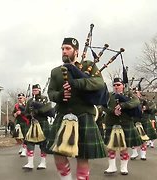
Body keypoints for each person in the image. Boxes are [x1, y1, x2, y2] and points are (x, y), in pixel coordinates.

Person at [46, 37, 107, 180]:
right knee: (58, 154)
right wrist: (60, 95)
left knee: (82, 155)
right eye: (62, 48)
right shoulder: (56, 71)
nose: (64, 51)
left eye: (68, 48)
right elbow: (51, 93)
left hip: (84, 114)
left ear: (76, 51)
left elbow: (99, 83)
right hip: (63, 114)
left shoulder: (88, 66)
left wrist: (77, 83)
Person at [103, 78, 142, 175]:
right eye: (115, 85)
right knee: (110, 147)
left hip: (125, 123)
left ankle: (124, 167)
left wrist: (123, 105)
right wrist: (113, 111)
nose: (116, 86)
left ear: (123, 86)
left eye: (118, 84)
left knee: (124, 147)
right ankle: (112, 167)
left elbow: (136, 102)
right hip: (111, 123)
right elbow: (103, 106)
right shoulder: (109, 96)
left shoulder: (129, 95)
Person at [22, 84, 54, 170]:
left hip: (42, 122)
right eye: (33, 90)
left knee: (43, 143)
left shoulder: (44, 99)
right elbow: (26, 112)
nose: (35, 91)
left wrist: (38, 109)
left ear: (39, 90)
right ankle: (30, 163)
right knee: (29, 142)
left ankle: (43, 163)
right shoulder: (29, 101)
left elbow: (47, 109)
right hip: (33, 122)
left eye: (36, 90)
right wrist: (28, 115)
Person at [130, 90, 157, 160]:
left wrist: (146, 108)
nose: (135, 94)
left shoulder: (144, 101)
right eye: (134, 93)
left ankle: (143, 154)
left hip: (144, 122)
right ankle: (134, 153)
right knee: (133, 139)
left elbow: (150, 110)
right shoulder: (130, 101)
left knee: (144, 139)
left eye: (136, 93)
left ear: (139, 94)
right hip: (134, 121)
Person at [12, 93, 30, 157]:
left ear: (24, 98)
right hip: (18, 122)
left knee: (25, 136)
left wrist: (21, 112)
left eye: (21, 98)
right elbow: (13, 113)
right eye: (19, 98)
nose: (20, 99)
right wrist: (15, 114)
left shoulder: (27, 105)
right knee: (17, 136)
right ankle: (22, 146)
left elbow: (29, 113)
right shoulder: (16, 106)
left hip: (26, 122)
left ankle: (24, 149)